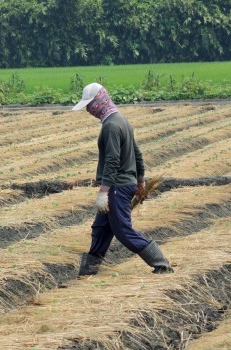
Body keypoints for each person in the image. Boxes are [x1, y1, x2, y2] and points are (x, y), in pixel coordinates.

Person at [72, 83, 174, 275]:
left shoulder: (111, 125)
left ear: (99, 102)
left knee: (122, 230)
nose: (88, 110)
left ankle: (161, 264)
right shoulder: (121, 120)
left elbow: (112, 160)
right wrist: (141, 180)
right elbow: (137, 153)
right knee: (101, 227)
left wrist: (104, 191)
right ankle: (88, 272)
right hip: (124, 183)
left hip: (117, 186)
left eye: (90, 105)